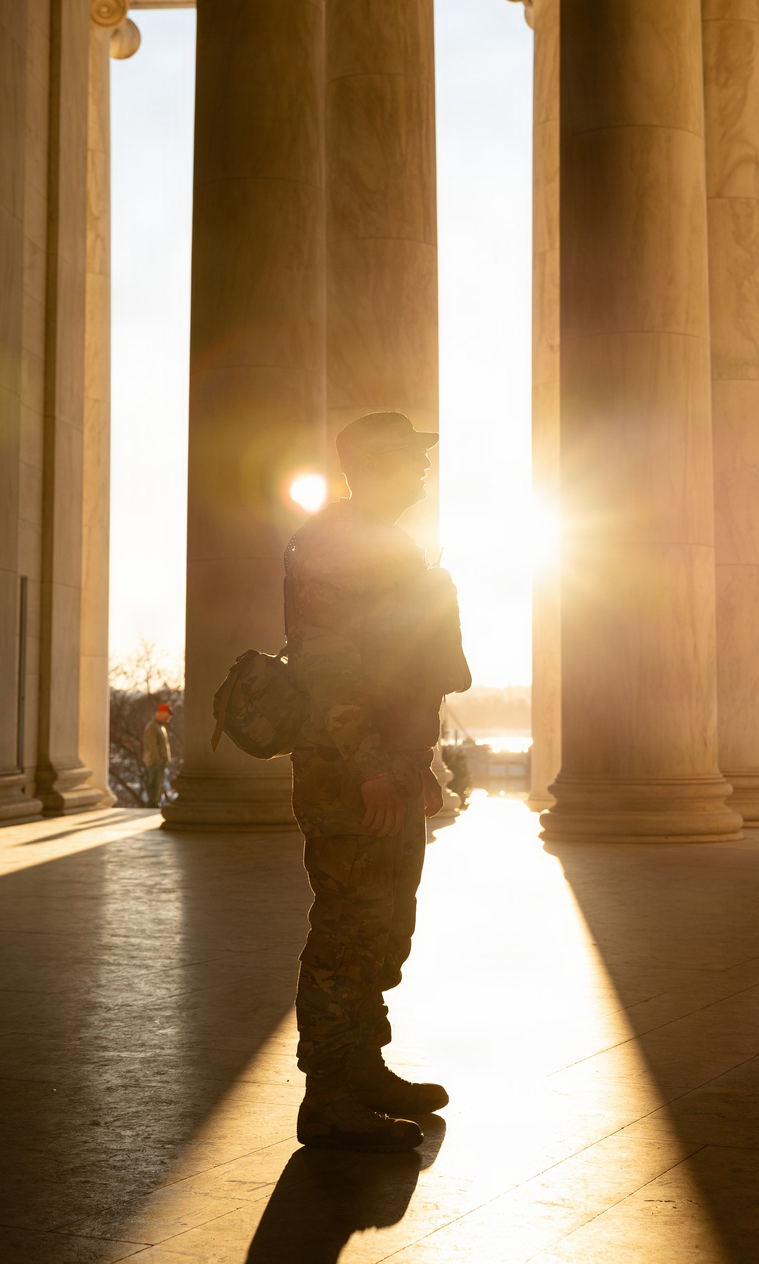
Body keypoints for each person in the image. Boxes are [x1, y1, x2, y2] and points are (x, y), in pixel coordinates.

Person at [286, 412, 471, 1154]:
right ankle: (329, 1096)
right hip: (349, 773)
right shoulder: (334, 543)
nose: (423, 471)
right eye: (411, 459)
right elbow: (331, 668)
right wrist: (368, 766)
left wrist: (416, 764)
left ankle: (363, 1068)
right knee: (348, 929)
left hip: (388, 765)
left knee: (386, 926)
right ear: (373, 465)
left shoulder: (388, 545)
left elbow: (409, 670)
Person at [142, 702, 172, 808]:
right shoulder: (152, 727)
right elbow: (152, 747)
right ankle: (152, 807)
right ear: (161, 713)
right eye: (168, 714)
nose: (169, 717)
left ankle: (155, 806)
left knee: (158, 787)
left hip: (159, 763)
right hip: (155, 763)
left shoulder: (159, 727)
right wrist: (159, 761)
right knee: (154, 787)